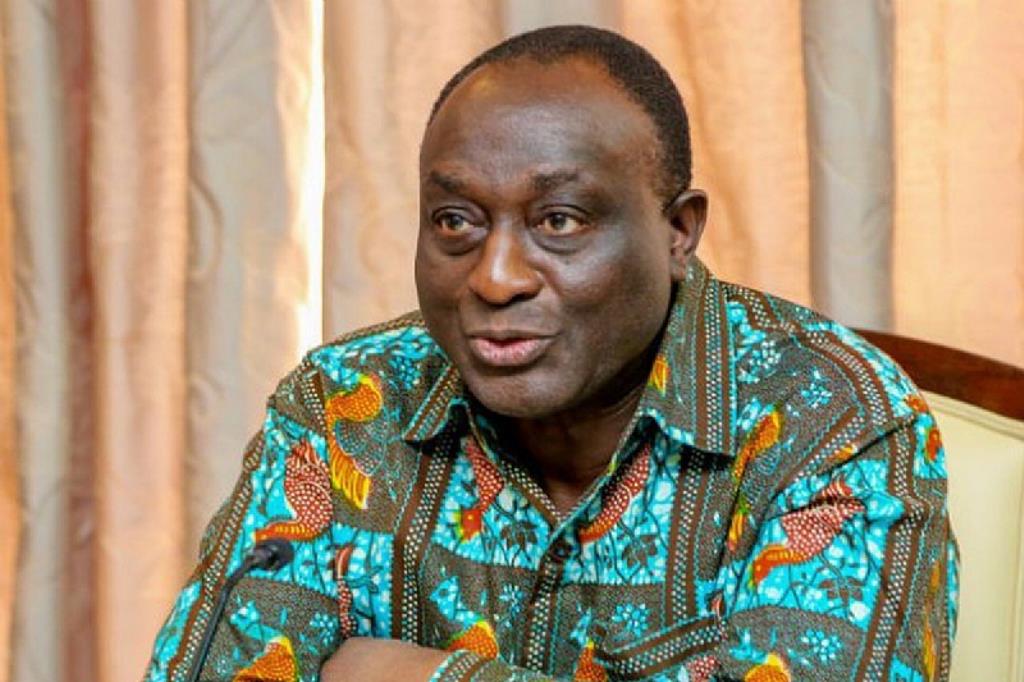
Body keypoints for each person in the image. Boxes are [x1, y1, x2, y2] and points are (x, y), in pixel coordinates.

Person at [144, 25, 958, 682]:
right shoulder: (345, 407)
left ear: (678, 232)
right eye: (456, 221)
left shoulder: (833, 422)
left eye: (559, 221)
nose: (494, 277)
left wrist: (415, 673)